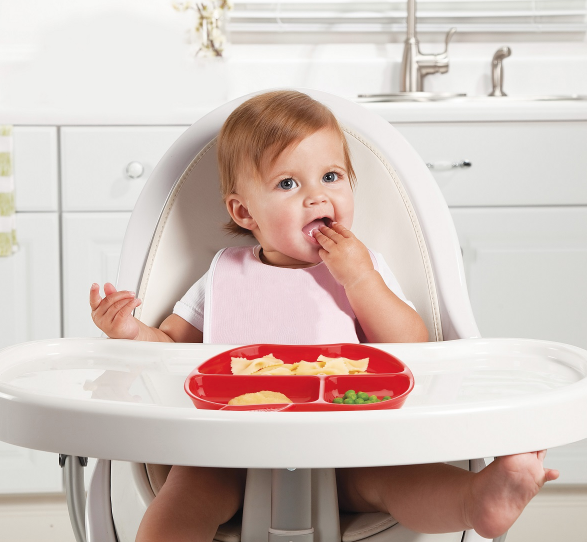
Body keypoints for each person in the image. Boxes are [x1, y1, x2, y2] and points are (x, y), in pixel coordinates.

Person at [89, 90, 558, 542]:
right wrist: (131, 331)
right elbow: (171, 350)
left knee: (399, 479)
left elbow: (412, 345)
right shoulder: (223, 275)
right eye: (288, 184)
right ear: (244, 211)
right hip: (228, 454)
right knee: (182, 499)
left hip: (347, 444)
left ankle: (478, 501)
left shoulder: (363, 269)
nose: (316, 197)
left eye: (331, 176)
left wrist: (360, 280)